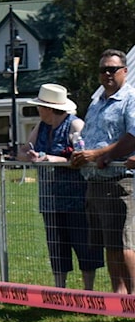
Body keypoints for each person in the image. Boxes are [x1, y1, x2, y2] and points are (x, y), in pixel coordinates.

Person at [20, 83, 102, 289]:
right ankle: (60, 289)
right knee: (56, 247)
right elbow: (23, 151)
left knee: (85, 245)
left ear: (49, 108)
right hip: (50, 200)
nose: (38, 109)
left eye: (40, 106)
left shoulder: (75, 125)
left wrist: (53, 159)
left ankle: (88, 291)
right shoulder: (40, 127)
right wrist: (32, 156)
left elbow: (85, 157)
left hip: (77, 199)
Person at [71, 49, 135, 294]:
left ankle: (132, 299)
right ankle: (117, 296)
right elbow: (88, 138)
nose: (107, 73)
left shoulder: (130, 99)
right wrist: (80, 155)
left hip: (120, 182)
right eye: (103, 69)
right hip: (95, 182)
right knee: (110, 245)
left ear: (125, 71)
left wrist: (100, 155)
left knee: (125, 244)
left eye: (113, 69)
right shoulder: (97, 103)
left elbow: (132, 137)